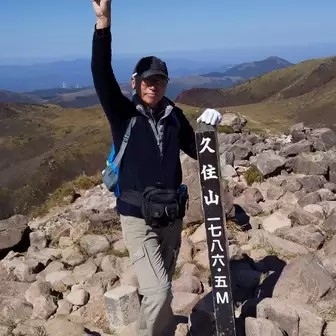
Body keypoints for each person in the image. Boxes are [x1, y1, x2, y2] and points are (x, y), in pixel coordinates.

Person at [91, 1, 222, 335]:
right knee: (159, 290)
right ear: (136, 82)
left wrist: (210, 130)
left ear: (166, 83)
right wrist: (103, 25)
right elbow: (101, 75)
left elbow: (197, 150)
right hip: (138, 217)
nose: (153, 86)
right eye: (147, 81)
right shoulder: (124, 114)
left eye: (159, 81)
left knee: (160, 290)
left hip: (171, 216)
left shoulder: (175, 115)